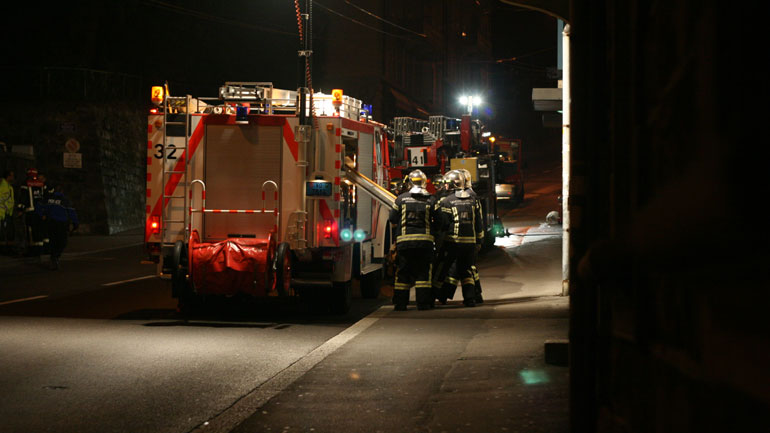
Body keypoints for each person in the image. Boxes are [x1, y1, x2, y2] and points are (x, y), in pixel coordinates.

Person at [389, 169, 437, 311]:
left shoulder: (400, 199)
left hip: (404, 243)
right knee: (423, 273)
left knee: (403, 272)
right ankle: (423, 304)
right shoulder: (431, 199)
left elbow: (392, 218)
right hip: (425, 243)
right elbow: (441, 220)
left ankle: (400, 304)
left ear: (409, 183)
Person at [434, 170, 484, 307]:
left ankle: (440, 295)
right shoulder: (473, 200)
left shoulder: (447, 201)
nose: (444, 186)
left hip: (453, 242)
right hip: (470, 243)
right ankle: (471, 298)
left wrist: (438, 241)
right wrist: (479, 241)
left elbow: (444, 224)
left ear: (452, 184)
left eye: (446, 183)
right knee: (466, 270)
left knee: (446, 268)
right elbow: (479, 223)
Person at [36, 184, 78, 270]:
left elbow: (38, 206)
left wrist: (42, 215)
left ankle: (53, 257)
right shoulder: (65, 200)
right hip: (61, 223)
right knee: (62, 242)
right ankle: (55, 256)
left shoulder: (48, 199)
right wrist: (75, 223)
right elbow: (71, 212)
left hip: (51, 222)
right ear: (62, 191)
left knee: (53, 241)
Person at [18, 168, 47, 256]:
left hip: (30, 211)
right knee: (39, 229)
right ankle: (41, 249)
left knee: (31, 230)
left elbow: (23, 198)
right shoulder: (41, 184)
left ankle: (32, 250)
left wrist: (20, 209)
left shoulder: (25, 184)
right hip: (40, 211)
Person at [0, 169, 15, 253]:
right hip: (3, 213)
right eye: (11, 175)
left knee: (9, 231)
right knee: (4, 232)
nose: (13, 177)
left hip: (8, 212)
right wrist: (6, 208)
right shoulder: (3, 186)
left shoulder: (8, 186)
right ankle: (4, 249)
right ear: (8, 176)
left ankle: (8, 248)